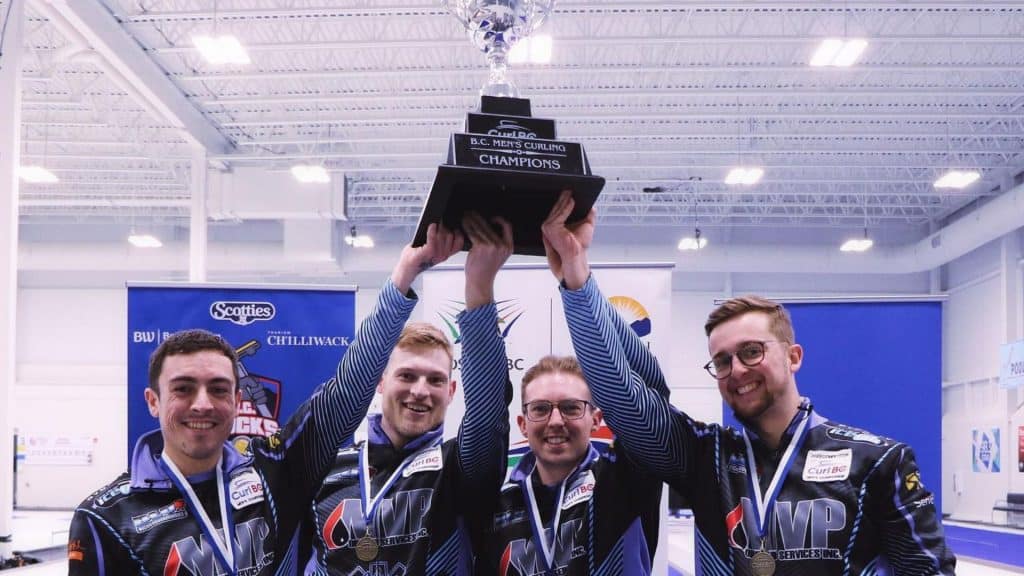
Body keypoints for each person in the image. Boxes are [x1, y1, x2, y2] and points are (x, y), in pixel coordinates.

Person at [541, 190, 957, 575]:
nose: (737, 369)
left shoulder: (877, 463)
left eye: (752, 351)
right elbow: (625, 401)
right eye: (722, 361)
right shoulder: (706, 459)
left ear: (793, 357)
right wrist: (578, 281)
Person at [67, 223, 466, 576]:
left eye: (219, 389)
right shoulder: (105, 520)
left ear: (237, 398)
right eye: (184, 388)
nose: (203, 404)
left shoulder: (274, 474)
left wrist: (402, 277)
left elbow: (344, 394)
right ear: (153, 401)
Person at [304, 212, 514, 575]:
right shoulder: (327, 462)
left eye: (435, 380)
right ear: (381, 381)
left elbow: (487, 415)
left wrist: (479, 287)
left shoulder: (457, 470)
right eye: (407, 375)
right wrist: (403, 275)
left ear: (451, 391)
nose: (420, 390)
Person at [474, 354, 664, 575]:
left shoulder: (624, 481)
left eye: (571, 407)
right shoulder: (500, 505)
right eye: (540, 409)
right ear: (523, 424)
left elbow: (651, 401)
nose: (555, 421)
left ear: (595, 419)